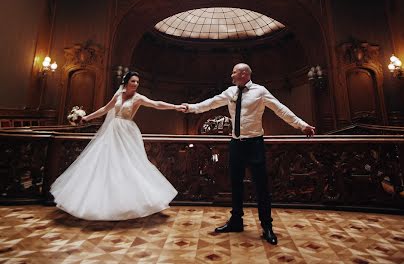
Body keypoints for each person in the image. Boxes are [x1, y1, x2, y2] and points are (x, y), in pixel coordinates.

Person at [182, 63, 315, 245]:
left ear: (244, 74)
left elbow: (280, 109)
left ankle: (267, 226)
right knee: (235, 184)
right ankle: (236, 221)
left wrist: (302, 125)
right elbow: (211, 103)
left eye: (234, 72)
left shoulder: (260, 91)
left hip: (255, 144)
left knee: (261, 187)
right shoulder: (230, 92)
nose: (231, 75)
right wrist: (190, 108)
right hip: (236, 144)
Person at [51, 70, 186, 220]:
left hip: (127, 131)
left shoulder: (138, 98)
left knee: (128, 163)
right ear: (127, 81)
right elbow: (105, 109)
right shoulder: (118, 95)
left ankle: (132, 202)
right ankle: (103, 201)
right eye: (133, 81)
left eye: (137, 82)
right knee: (106, 162)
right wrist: (86, 118)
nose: (135, 84)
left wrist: (174, 107)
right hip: (112, 130)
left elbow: (156, 104)